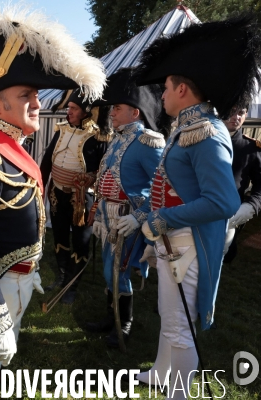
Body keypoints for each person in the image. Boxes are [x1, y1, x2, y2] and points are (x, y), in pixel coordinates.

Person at [0, 4, 106, 398]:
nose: (37, 102)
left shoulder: (11, 149)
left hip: (18, 282)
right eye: (26, 94)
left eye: (35, 93)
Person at [133, 14, 258, 398]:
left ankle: (178, 394)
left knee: (178, 327)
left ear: (183, 89)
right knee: (169, 319)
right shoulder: (189, 127)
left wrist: (164, 217)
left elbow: (223, 201)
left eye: (167, 88)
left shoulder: (205, 132)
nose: (162, 95)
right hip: (175, 239)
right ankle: (159, 371)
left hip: (187, 243)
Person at [84, 67, 167, 348]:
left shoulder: (149, 142)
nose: (111, 113)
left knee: (118, 271)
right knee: (109, 271)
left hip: (128, 219)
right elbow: (103, 179)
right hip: (108, 216)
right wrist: (97, 214)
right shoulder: (116, 138)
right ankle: (112, 317)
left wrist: (139, 218)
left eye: (117, 108)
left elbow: (161, 190)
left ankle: (125, 323)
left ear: (136, 112)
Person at [39, 89, 111, 303]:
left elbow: (105, 171)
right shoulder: (61, 130)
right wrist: (40, 187)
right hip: (57, 192)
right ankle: (62, 275)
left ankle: (72, 284)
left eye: (73, 108)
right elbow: (47, 161)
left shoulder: (99, 135)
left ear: (86, 111)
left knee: (81, 241)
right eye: (68, 107)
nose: (68, 112)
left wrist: (93, 193)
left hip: (82, 199)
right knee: (59, 235)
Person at [222, 107, 261, 263]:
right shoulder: (201, 141)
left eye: (241, 113)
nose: (236, 117)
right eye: (231, 111)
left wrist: (251, 206)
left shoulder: (250, 148)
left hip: (230, 218)